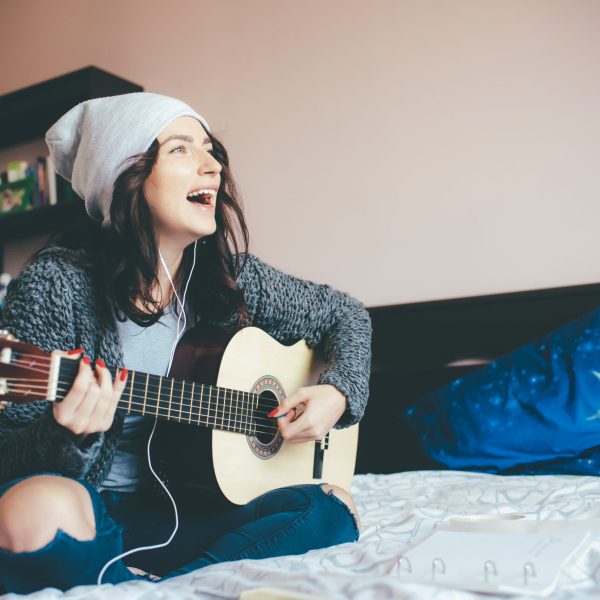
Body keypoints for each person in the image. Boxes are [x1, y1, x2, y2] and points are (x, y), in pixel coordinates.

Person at [0, 93, 371, 593]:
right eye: (181, 149)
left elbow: (346, 316)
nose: (212, 165)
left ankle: (143, 585)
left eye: (210, 148)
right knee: (38, 508)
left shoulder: (231, 278)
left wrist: (337, 393)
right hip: (96, 507)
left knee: (329, 507)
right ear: (124, 175)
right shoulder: (56, 284)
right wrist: (66, 437)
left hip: (183, 506)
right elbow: (8, 453)